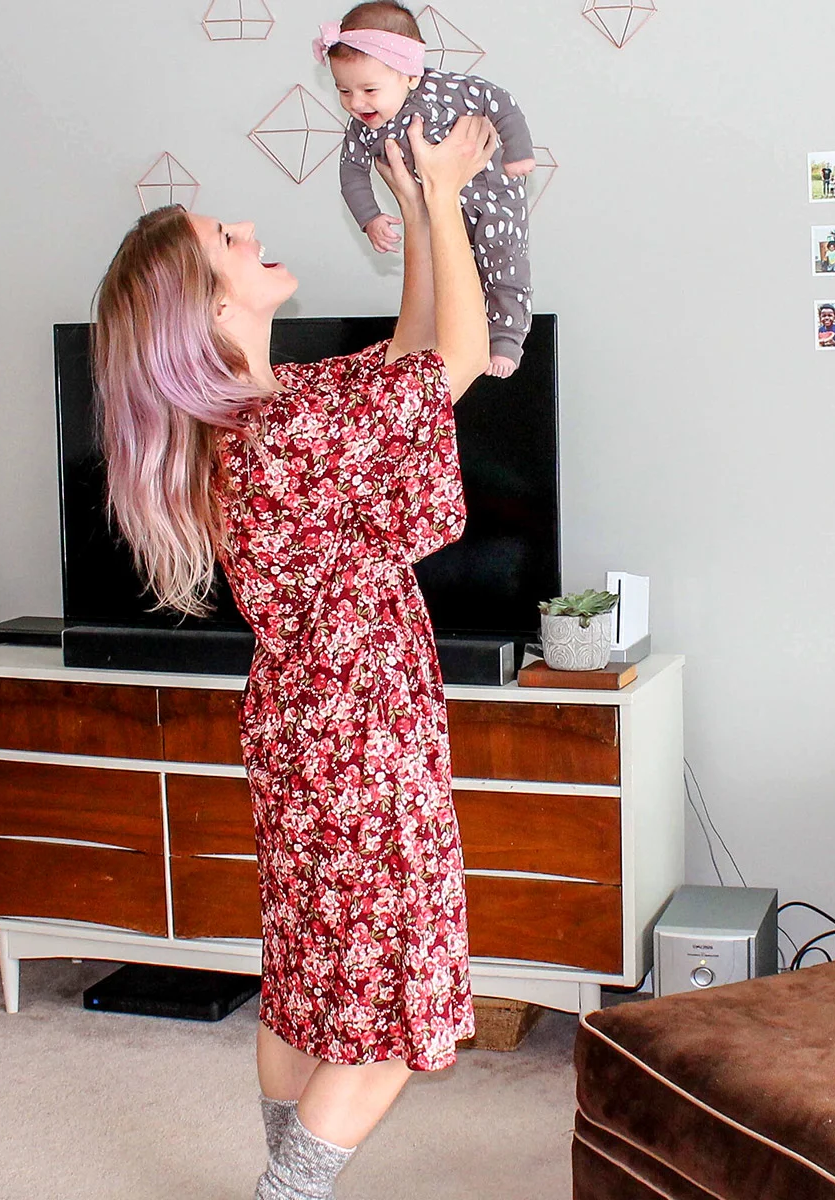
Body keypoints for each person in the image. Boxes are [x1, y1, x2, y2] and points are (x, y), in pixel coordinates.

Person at [93, 115, 500, 1200]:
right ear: (211, 308)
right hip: (360, 727)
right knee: (392, 1001)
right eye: (223, 238)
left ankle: (286, 1177)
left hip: (304, 724)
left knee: (313, 969)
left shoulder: (271, 414)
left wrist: (413, 207)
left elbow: (411, 356)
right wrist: (448, 196)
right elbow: (457, 361)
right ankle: (289, 1193)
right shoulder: (290, 432)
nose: (246, 227)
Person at [322, 1, 535, 377]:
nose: (356, 103)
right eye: (344, 91)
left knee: (503, 264)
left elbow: (500, 101)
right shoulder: (361, 130)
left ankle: (507, 336)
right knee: (449, 279)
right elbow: (351, 173)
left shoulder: (445, 89)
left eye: (369, 89)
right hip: (440, 213)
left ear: (410, 75)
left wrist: (518, 151)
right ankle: (452, 340)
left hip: (493, 197)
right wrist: (370, 218)